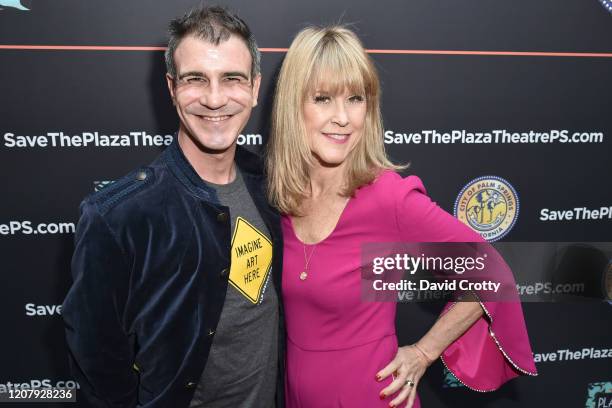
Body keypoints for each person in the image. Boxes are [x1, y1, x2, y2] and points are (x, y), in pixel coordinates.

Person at [266, 26, 538, 408]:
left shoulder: (388, 198)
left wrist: (424, 353)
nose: (342, 117)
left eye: (355, 99)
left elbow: (494, 275)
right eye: (323, 98)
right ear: (293, 106)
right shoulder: (281, 197)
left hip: (369, 396)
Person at [62, 6, 284, 408]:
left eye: (231, 79)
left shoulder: (274, 186)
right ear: (171, 88)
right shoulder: (118, 217)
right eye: (195, 79)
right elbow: (97, 367)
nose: (215, 99)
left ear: (254, 88)